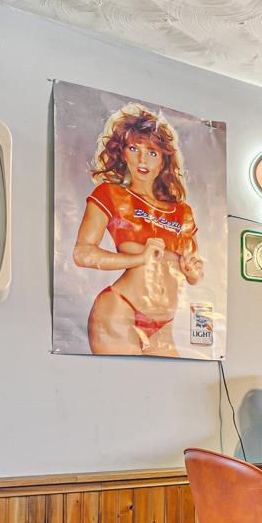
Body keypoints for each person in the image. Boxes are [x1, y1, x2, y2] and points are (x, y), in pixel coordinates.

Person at [71, 103, 203, 356]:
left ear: (164, 159)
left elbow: (195, 274)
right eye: (134, 149)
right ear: (122, 153)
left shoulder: (183, 211)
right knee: (118, 381)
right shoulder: (110, 193)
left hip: (164, 324)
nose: (142, 160)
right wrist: (138, 258)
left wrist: (192, 271)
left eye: (152, 152)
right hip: (120, 308)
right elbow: (82, 253)